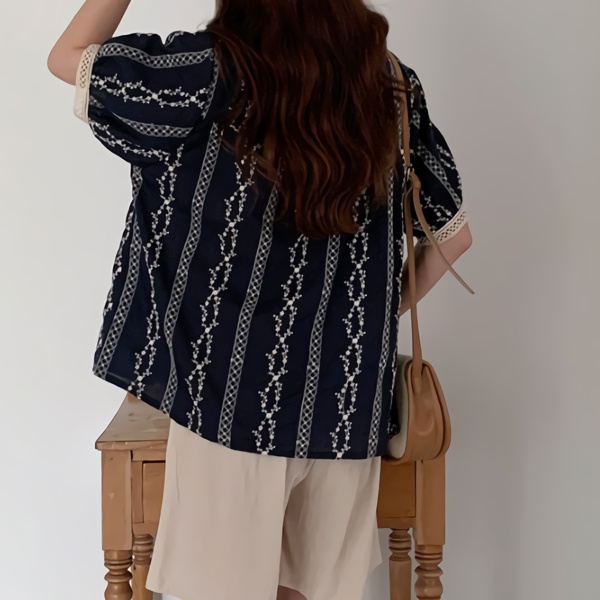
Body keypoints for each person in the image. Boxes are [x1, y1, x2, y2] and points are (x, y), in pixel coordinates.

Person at [47, 1, 472, 599]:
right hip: (344, 409)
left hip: (229, 404)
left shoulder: (208, 74)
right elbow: (453, 238)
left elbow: (67, 58)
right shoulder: (390, 84)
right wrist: (363, 318)